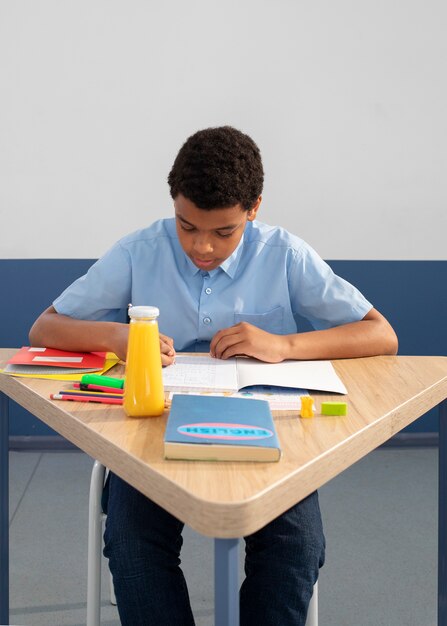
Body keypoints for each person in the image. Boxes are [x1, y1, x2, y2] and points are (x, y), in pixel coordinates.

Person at [30, 126, 398, 626]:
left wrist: (283, 345)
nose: (202, 246)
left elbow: (380, 335)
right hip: (149, 430)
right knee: (132, 543)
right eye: (187, 226)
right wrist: (119, 337)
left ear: (254, 208)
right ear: (173, 205)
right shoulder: (140, 250)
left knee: (297, 546)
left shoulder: (283, 253)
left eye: (223, 232)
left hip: (271, 430)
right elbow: (45, 326)